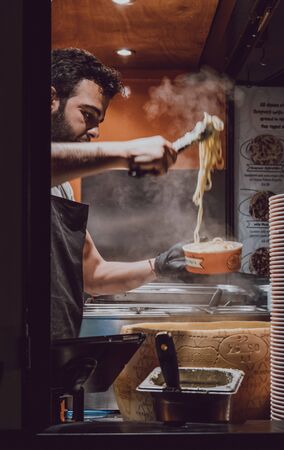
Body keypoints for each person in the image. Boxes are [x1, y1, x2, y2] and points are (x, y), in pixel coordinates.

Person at [51, 48, 185, 340]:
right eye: (87, 114)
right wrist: (126, 151)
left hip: (53, 354)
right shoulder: (18, 162)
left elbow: (94, 276)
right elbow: (26, 168)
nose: (96, 132)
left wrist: (159, 265)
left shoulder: (62, 187)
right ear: (49, 99)